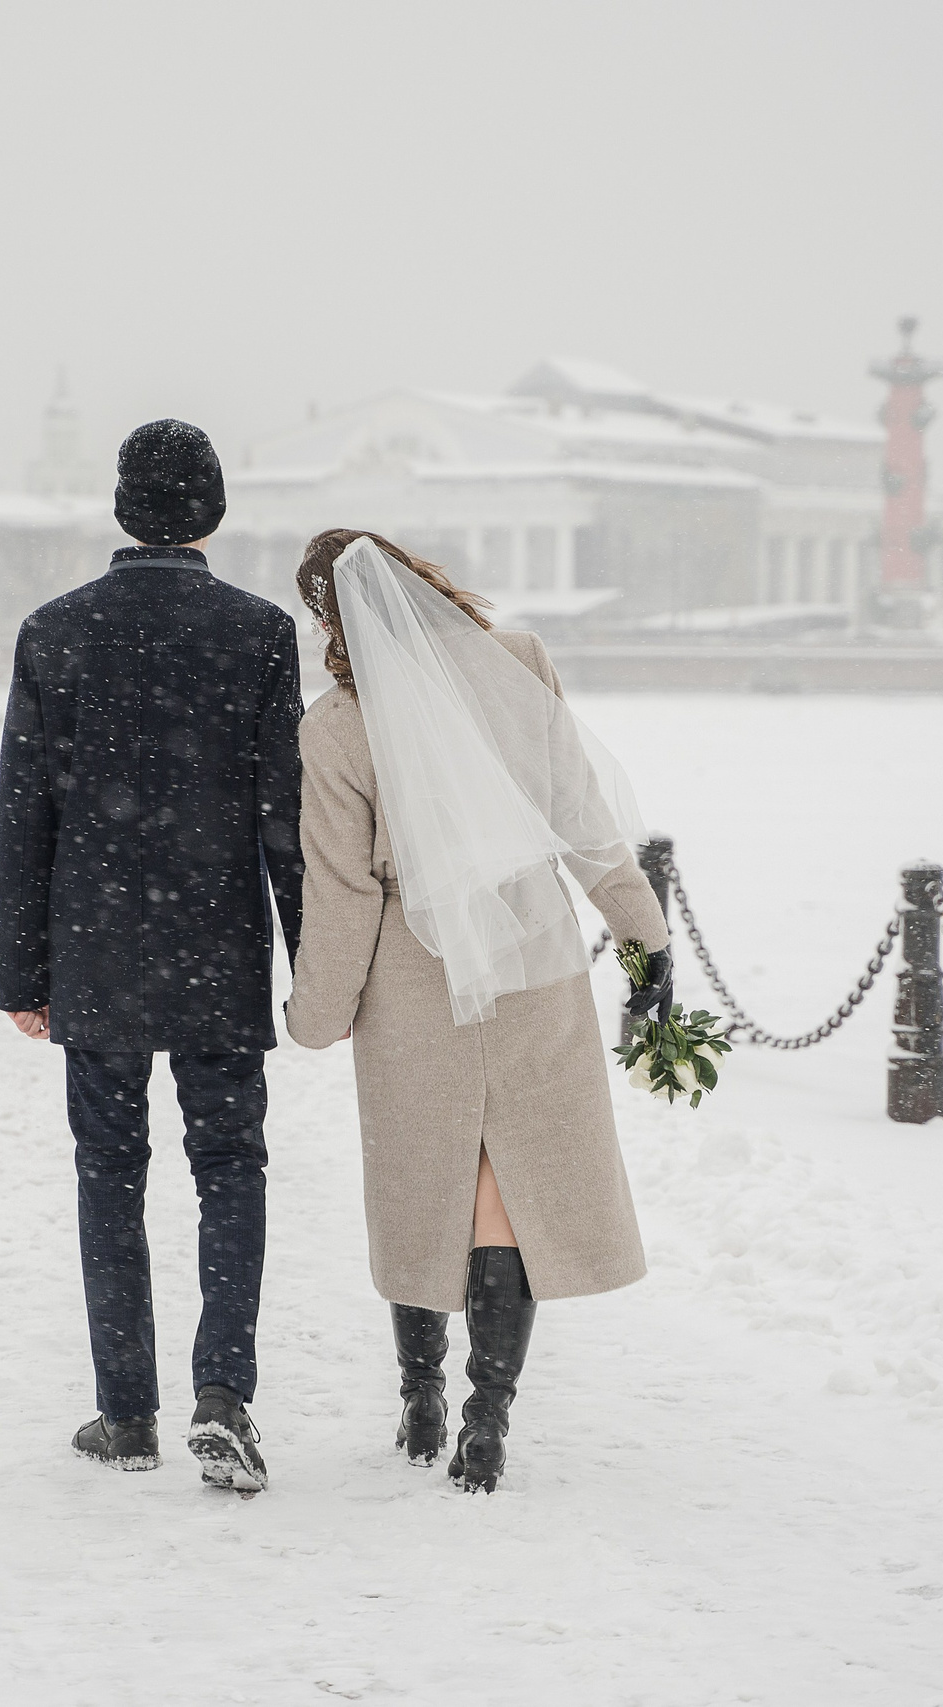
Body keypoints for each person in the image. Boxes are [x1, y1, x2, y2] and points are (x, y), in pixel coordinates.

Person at [282, 529, 668, 1493]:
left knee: (424, 1181)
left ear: (331, 621)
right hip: (531, 952)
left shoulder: (335, 726)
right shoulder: (518, 663)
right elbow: (584, 821)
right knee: (510, 1184)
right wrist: (643, 938)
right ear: (421, 579)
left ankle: (420, 1395)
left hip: (414, 975)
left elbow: (341, 894)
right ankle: (488, 1415)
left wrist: (315, 1013)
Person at [0, 419, 304, 1497]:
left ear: (124, 512)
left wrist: (20, 976)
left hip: (96, 952)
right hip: (218, 946)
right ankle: (223, 1391)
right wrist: (317, 963)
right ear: (209, 514)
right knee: (230, 1165)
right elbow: (285, 818)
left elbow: (22, 818)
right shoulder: (257, 634)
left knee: (108, 1172)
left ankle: (126, 1412)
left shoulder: (56, 632)